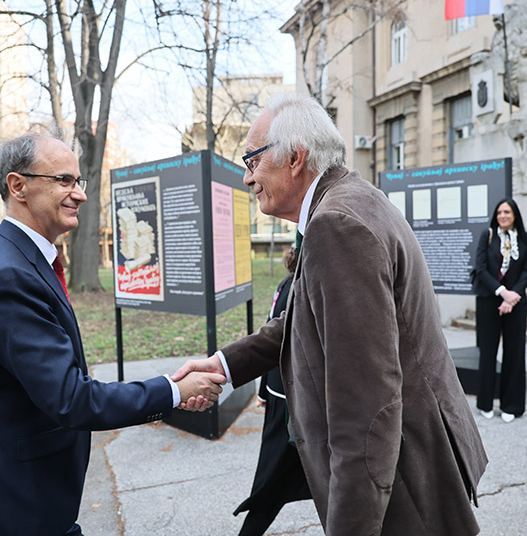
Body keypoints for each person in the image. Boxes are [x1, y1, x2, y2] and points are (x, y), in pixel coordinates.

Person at [173, 94, 487, 535]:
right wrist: (223, 364)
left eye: (252, 160)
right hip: (412, 461)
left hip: (401, 484)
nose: (247, 178)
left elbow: (366, 406)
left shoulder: (336, 225)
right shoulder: (349, 200)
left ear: (295, 157)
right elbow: (305, 316)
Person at [0, 133, 224, 536]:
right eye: (64, 181)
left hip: (31, 496)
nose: (80, 195)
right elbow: (72, 398)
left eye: (79, 182)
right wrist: (175, 390)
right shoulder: (8, 275)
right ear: (17, 185)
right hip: (11, 504)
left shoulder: (21, 261)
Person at [233, 246, 310, 535]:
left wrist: (265, 391)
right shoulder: (296, 287)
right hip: (289, 398)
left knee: (277, 477)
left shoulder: (286, 284)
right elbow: (273, 341)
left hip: (281, 393)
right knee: (272, 478)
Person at [472, 199, 527, 422]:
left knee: (514, 353)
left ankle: (511, 405)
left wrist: (512, 296)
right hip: (490, 299)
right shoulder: (487, 236)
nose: (503, 216)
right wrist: (502, 292)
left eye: (507, 212)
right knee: (488, 352)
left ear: (515, 214)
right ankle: (485, 402)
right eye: (499, 212)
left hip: (516, 302)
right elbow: (481, 268)